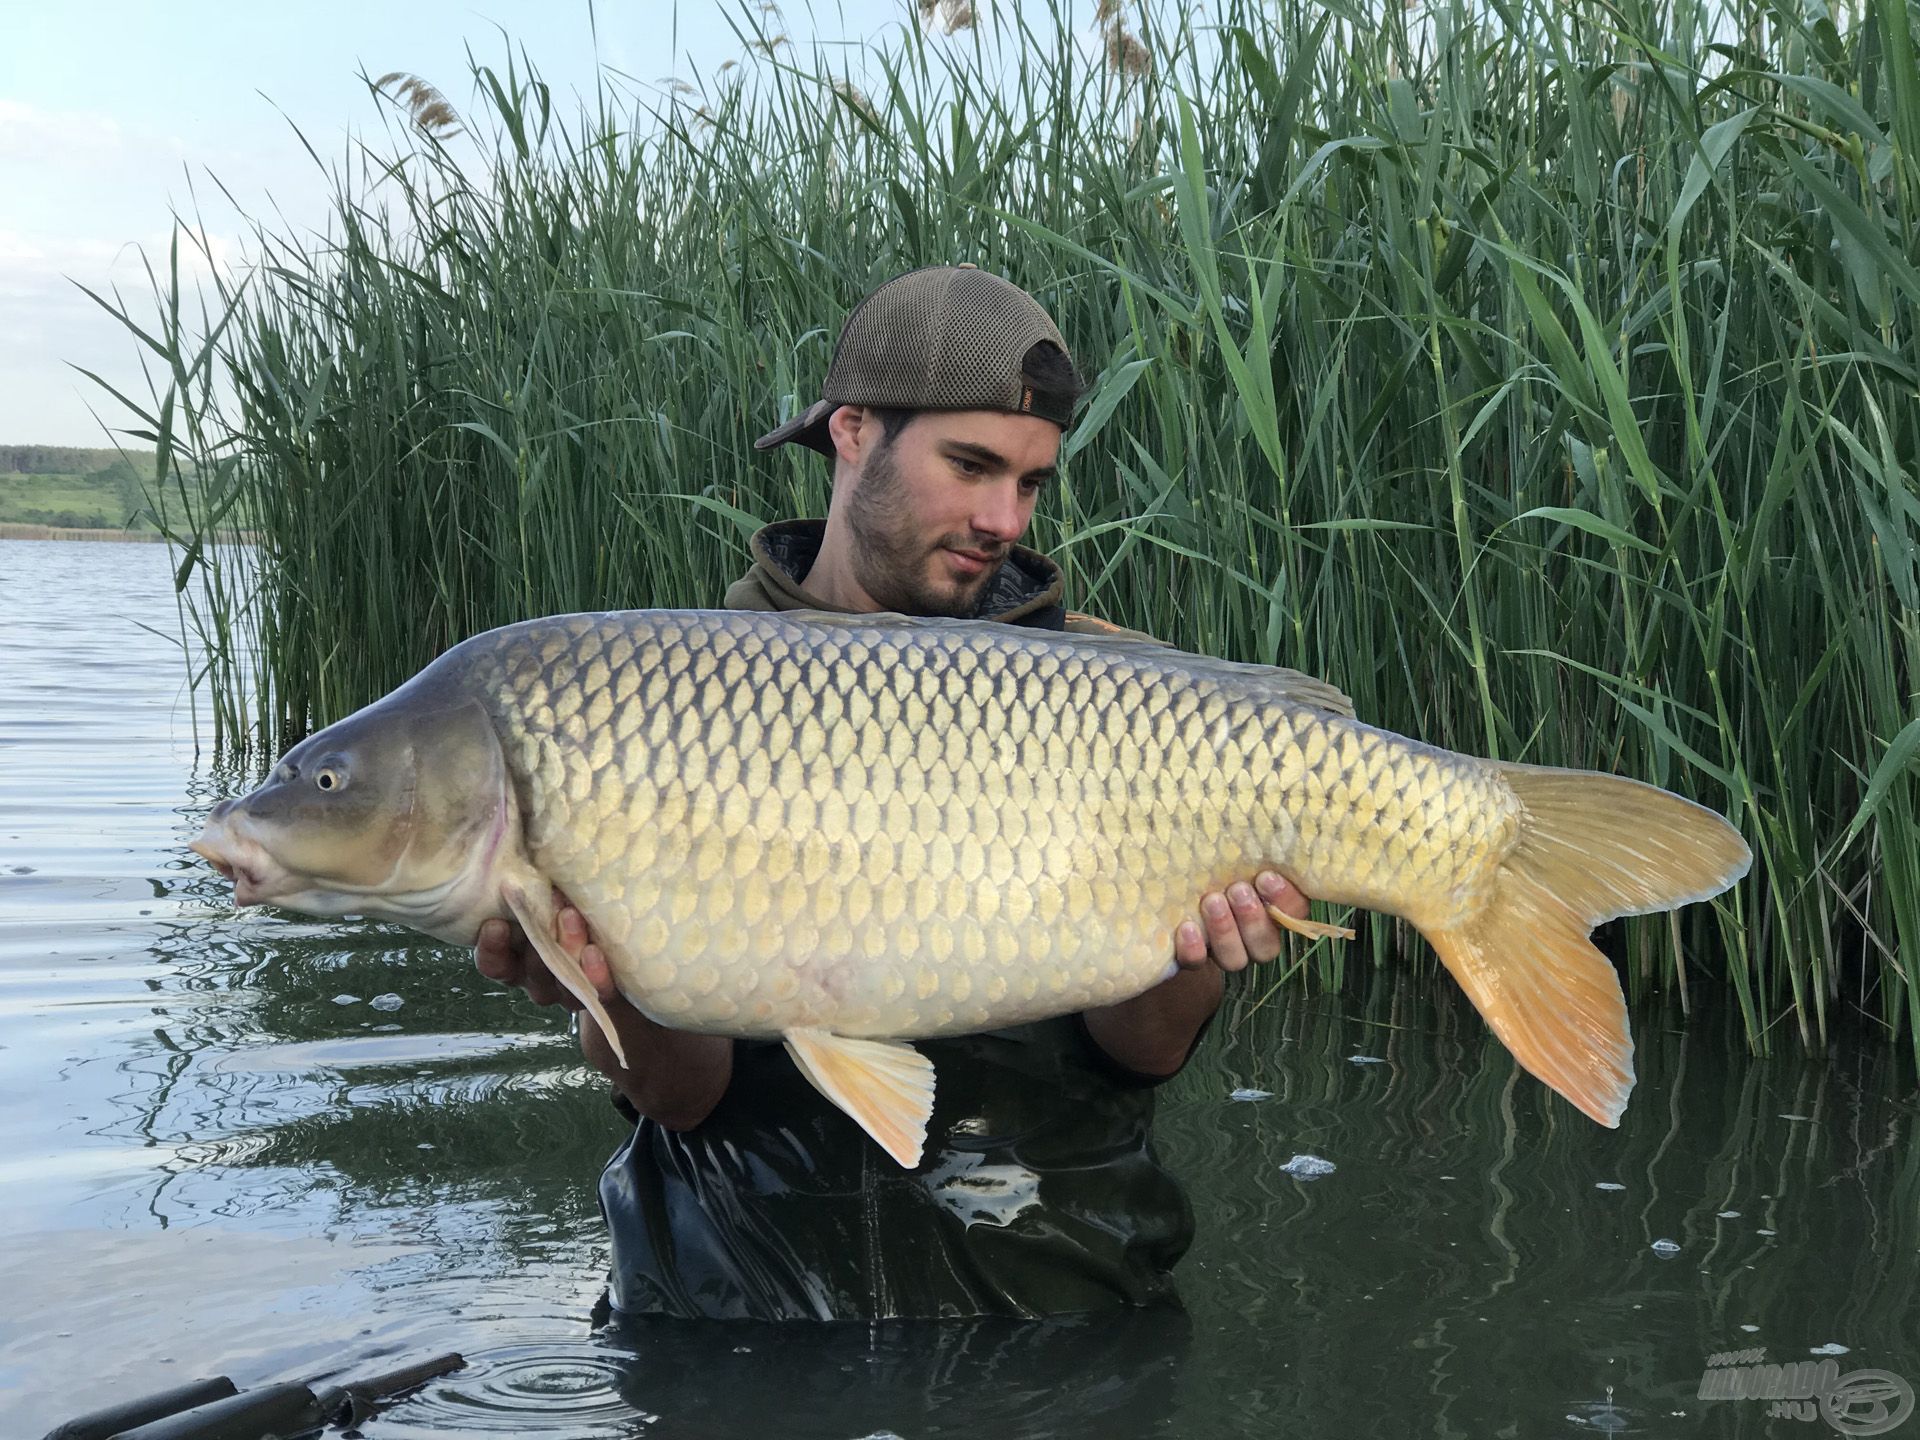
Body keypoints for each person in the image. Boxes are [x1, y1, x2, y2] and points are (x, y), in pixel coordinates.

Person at [476, 264, 1315, 1321]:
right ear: (854, 433)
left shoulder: (1122, 709)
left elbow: (1141, 1049)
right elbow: (680, 1095)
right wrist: (604, 984)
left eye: (1030, 482)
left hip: (1055, 1321)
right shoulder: (669, 705)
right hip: (734, 1326)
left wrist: (1206, 947)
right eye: (970, 466)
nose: (1004, 518)